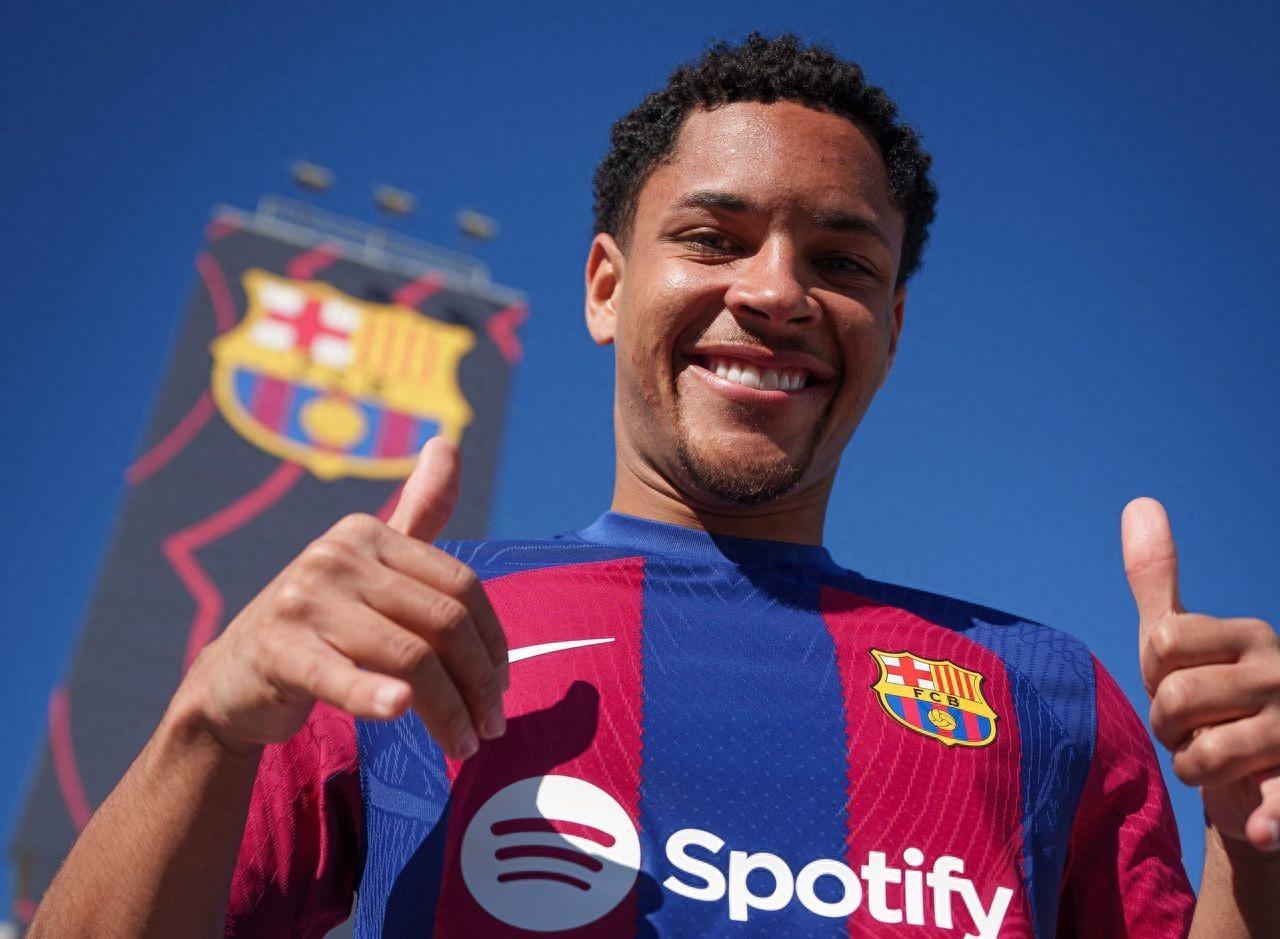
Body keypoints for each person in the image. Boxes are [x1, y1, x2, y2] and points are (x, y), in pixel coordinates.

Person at [30, 32, 1280, 938]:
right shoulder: (402, 635)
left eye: (840, 260)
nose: (776, 292)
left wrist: (1255, 850)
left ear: (891, 330)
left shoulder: (1048, 693)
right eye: (712, 238)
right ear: (603, 287)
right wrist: (207, 726)